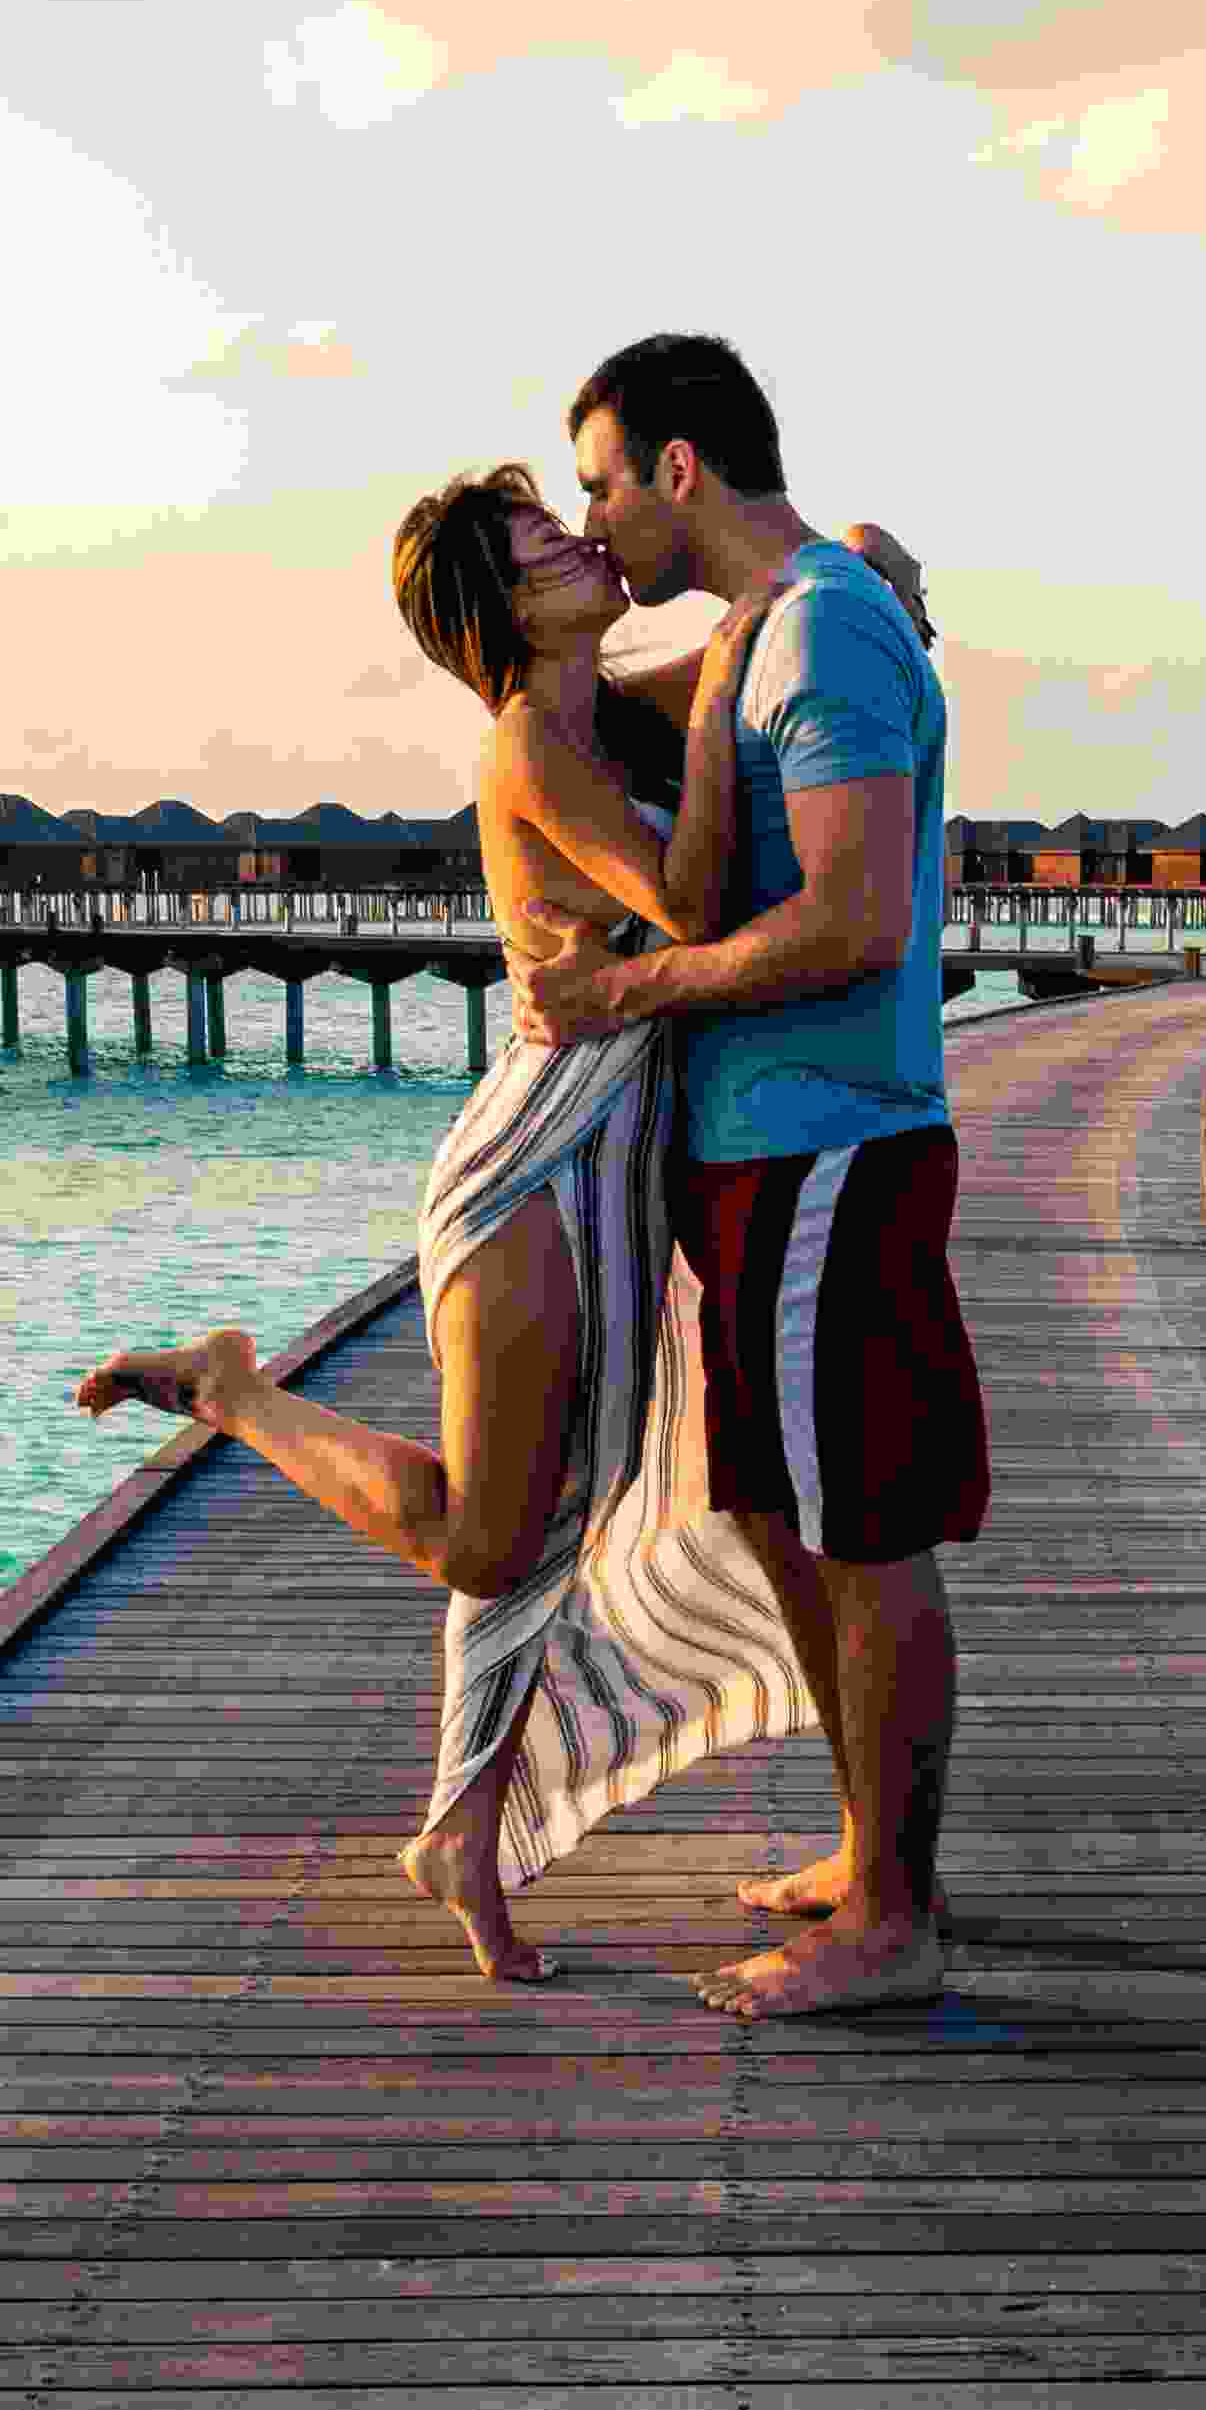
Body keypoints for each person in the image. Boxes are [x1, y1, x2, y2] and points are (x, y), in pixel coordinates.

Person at [69, 467, 810, 1982]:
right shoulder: (531, 741)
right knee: (489, 1533)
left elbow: (748, 655)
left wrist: (825, 584)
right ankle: (236, 1392)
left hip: (612, 1154)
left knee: (557, 1517)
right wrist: (736, 654)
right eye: (539, 544)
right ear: (499, 610)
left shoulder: (602, 713)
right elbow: (688, 901)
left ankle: (461, 1833)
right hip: (528, 1164)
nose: (579, 540)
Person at [517, 328, 979, 2021]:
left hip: (827, 1147)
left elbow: (855, 919)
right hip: (760, 1158)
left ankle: (897, 1921)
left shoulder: (822, 631)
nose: (595, 520)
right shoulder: (779, 626)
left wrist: (629, 989)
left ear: (679, 467)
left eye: (601, 484)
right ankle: (872, 1860)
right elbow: (568, 696)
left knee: (864, 1534)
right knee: (783, 1515)